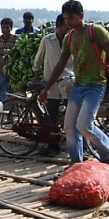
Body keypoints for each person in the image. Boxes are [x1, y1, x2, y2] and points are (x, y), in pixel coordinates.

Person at [38, 0, 109, 165]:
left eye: (71, 18)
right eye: (66, 18)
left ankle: (108, 150)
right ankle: (75, 163)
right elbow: (60, 65)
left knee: (84, 125)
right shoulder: (69, 38)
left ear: (81, 16)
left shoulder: (96, 32)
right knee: (70, 128)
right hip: (78, 85)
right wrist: (47, 89)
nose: (68, 22)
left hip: (96, 85)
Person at [31, 14, 73, 155]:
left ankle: (77, 146)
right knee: (51, 116)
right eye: (66, 25)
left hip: (68, 82)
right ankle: (53, 147)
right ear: (59, 25)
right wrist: (36, 74)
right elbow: (38, 59)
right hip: (51, 84)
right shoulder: (47, 40)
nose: (69, 28)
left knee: (73, 115)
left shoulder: (72, 40)